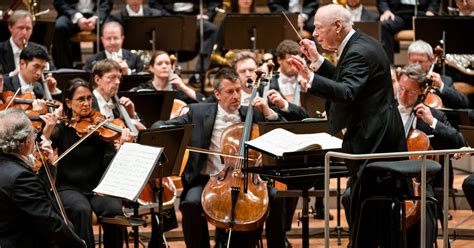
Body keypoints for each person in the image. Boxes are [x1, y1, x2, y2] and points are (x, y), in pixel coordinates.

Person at [287, 4, 407, 247]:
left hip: (374, 138)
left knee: (366, 205)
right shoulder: (359, 43)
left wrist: (310, 78)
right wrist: (317, 61)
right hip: (372, 134)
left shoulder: (358, 51)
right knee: (360, 202)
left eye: (319, 28)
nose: (315, 34)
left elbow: (348, 91)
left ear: (338, 26)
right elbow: (346, 79)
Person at [152, 67, 285, 248]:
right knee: (190, 204)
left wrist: (269, 112)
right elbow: (164, 126)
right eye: (230, 92)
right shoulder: (197, 112)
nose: (236, 96)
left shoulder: (252, 113)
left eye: (238, 90)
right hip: (207, 179)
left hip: (248, 181)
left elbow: (282, 131)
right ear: (217, 94)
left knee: (276, 197)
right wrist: (157, 129)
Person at [41, 78, 133, 248]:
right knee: (81, 209)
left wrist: (123, 149)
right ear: (68, 102)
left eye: (89, 98)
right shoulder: (61, 128)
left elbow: (109, 163)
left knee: (114, 210)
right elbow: (41, 150)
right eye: (81, 99)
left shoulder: (101, 127)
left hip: (97, 189)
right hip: (68, 188)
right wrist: (46, 131)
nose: (87, 103)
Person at [0, 108, 86, 248]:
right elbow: (49, 222)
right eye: (34, 133)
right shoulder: (20, 177)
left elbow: (36, 194)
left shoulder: (10, 167)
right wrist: (78, 244)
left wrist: (49, 166)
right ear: (26, 141)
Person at [149, 0, 219, 73]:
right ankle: (163, 71)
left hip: (194, 18)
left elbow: (214, 2)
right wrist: (166, 15)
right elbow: (154, 3)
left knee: (211, 30)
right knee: (156, 28)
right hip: (168, 17)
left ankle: (200, 73)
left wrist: (208, 14)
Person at [52, 0, 113, 68]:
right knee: (60, 27)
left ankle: (105, 66)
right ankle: (65, 68)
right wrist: (77, 17)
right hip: (71, 14)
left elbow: (107, 3)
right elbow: (59, 2)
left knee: (109, 28)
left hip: (96, 14)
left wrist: (95, 18)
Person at [2, 45, 60, 114]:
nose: (39, 73)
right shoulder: (4, 85)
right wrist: (33, 112)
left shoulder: (40, 89)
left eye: (42, 68)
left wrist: (51, 91)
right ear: (22, 64)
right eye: (36, 66)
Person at [130, 51, 205, 103]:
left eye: (167, 63)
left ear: (171, 67)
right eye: (159, 64)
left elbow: (204, 101)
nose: (164, 66)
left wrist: (183, 87)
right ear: (151, 68)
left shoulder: (176, 90)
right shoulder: (143, 89)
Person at [0, 10, 52, 77]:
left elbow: (52, 72)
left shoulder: (41, 50)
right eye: (20, 28)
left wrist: (47, 73)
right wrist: (13, 74)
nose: (24, 33)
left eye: (28, 28)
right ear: (10, 28)